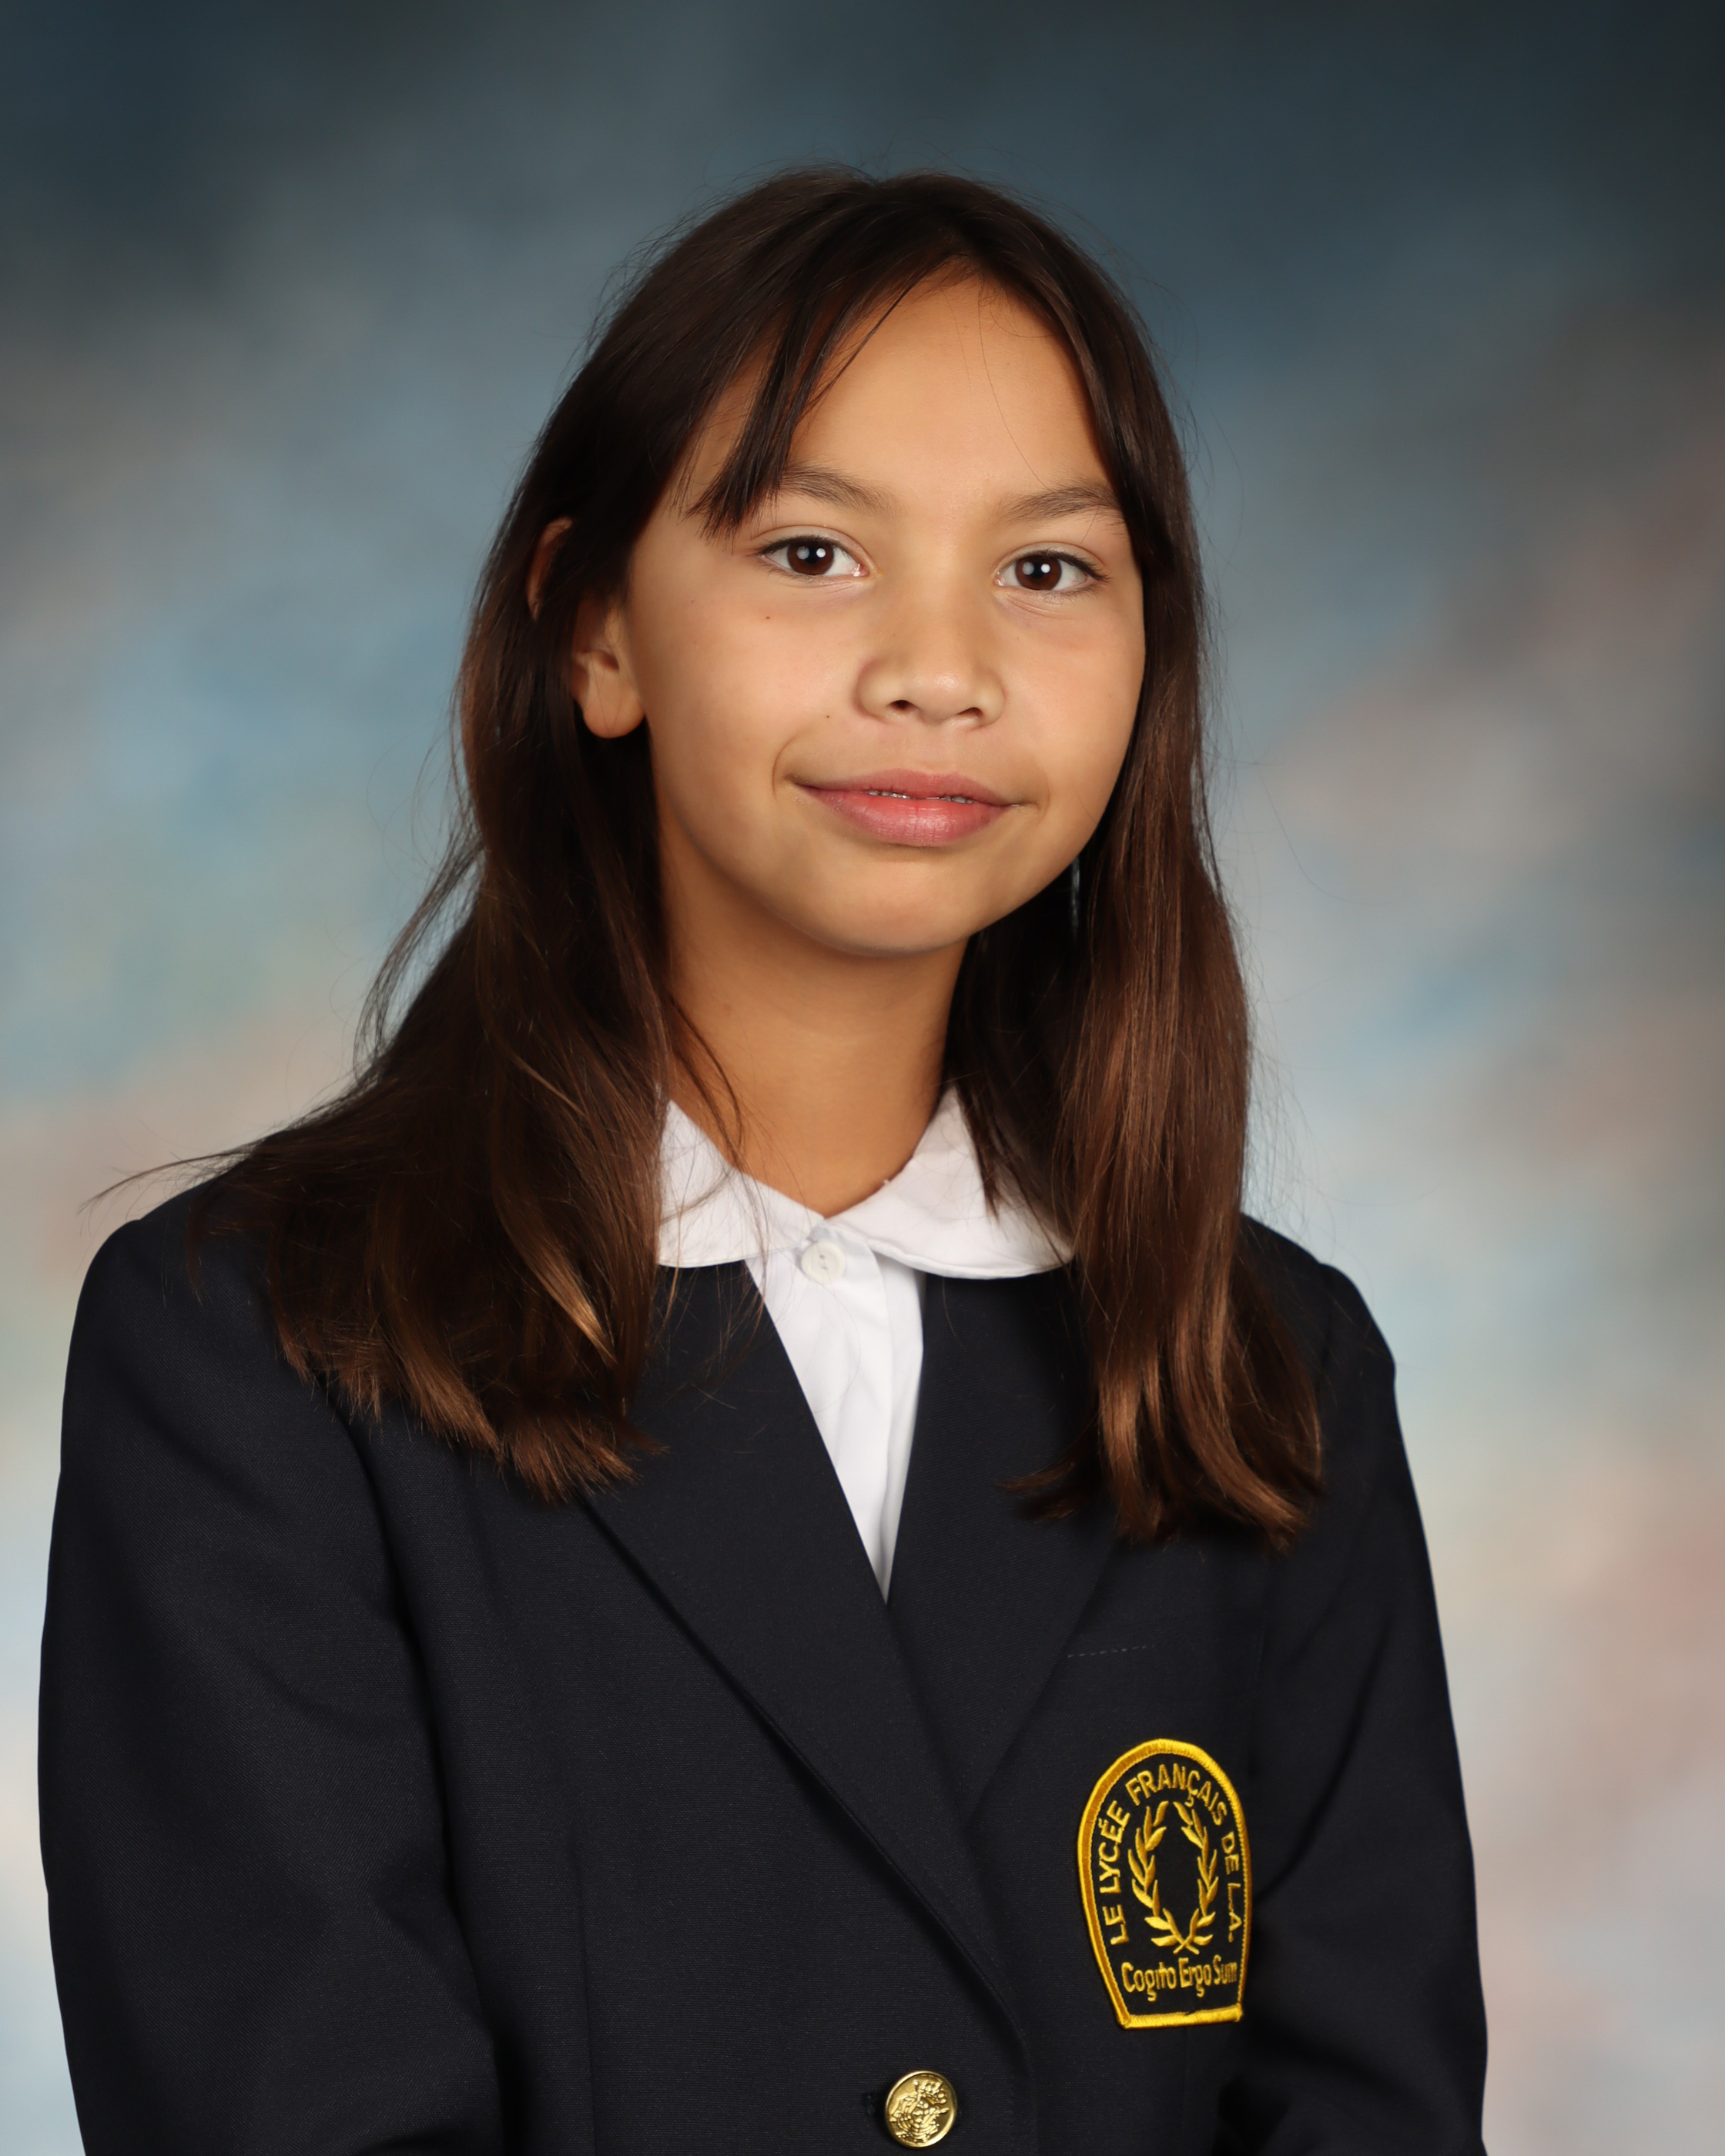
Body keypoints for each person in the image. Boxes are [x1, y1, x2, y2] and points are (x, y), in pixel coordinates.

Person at [39, 169, 1487, 2154]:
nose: (939, 668)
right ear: (595, 630)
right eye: (814, 551)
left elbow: (1364, 2108)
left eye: (1047, 568)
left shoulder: (1269, 1369)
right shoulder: (261, 1352)